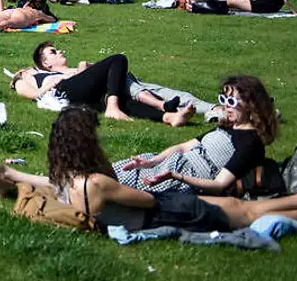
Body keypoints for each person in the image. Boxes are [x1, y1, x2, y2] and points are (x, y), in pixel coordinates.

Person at [0, 107, 297, 234]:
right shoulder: (97, 182)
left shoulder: (67, 180)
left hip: (151, 213)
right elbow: (145, 200)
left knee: (243, 211)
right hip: (164, 213)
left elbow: (45, 180)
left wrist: (10, 175)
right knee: (245, 212)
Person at [111, 74, 279, 193]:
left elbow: (219, 185)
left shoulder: (250, 142)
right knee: (112, 172)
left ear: (251, 104)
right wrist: (152, 161)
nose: (226, 106)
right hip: (172, 164)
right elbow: (184, 147)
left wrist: (176, 176)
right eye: (223, 100)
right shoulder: (228, 126)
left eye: (231, 101)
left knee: (117, 188)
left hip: (186, 180)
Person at [11, 42, 194, 125]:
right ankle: (112, 108)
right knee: (118, 58)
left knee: (124, 102)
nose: (59, 51)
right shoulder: (32, 74)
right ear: (45, 63)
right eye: (53, 52)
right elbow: (31, 93)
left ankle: (168, 117)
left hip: (82, 99)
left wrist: (81, 69)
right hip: (63, 93)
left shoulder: (72, 70)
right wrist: (53, 82)